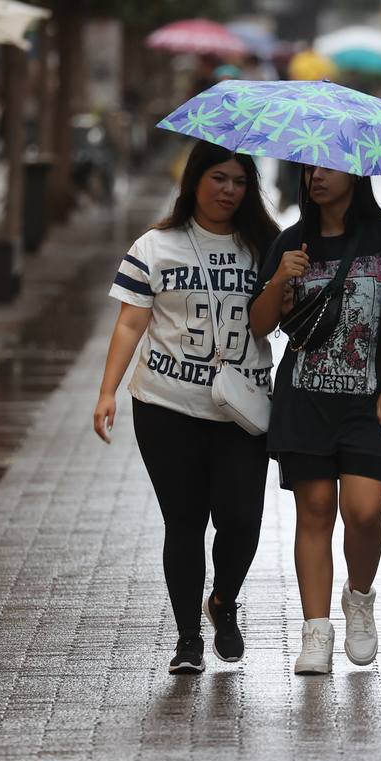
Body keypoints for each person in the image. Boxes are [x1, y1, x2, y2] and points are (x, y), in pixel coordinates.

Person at [94, 140, 280, 675]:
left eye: (239, 181)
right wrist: (107, 391)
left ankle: (222, 601)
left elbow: (281, 317)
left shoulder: (263, 245)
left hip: (242, 410)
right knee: (185, 523)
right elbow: (131, 321)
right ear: (195, 180)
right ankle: (187, 640)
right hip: (165, 405)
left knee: (242, 521)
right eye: (218, 178)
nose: (228, 190)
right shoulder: (155, 245)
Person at [249, 166, 381, 675]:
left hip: (368, 402)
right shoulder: (292, 241)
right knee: (314, 511)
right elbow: (259, 324)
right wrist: (280, 278)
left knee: (364, 511)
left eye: (328, 168)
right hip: (304, 400)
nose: (316, 177)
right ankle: (315, 630)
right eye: (309, 168)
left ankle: (359, 599)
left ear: (355, 175)